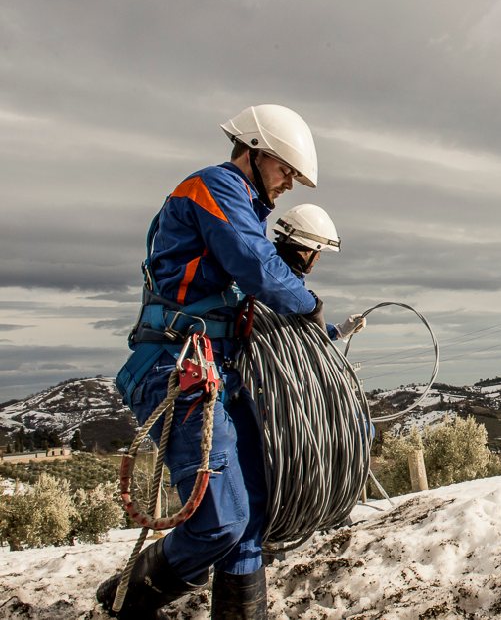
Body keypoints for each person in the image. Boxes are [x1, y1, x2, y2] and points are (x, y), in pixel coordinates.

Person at [99, 105, 347, 619]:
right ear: (254, 153)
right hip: (176, 369)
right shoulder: (213, 187)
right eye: (285, 171)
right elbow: (255, 265)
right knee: (220, 520)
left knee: (251, 518)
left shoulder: (244, 208)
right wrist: (309, 307)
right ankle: (123, 601)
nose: (289, 185)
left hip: (218, 373)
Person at [271, 203, 365, 341]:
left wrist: (338, 331)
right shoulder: (276, 282)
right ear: (308, 250)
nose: (319, 257)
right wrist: (314, 307)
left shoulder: (285, 276)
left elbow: (297, 327)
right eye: (318, 251)